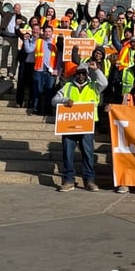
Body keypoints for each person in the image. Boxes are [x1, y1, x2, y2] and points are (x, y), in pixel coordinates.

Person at [53, 61, 108, 192]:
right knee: (67, 153)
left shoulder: (94, 86)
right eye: (79, 73)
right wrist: (65, 100)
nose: (81, 76)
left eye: (83, 73)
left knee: (88, 154)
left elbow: (104, 83)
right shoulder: (67, 86)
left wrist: (96, 70)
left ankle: (89, 180)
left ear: (87, 75)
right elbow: (54, 100)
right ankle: (68, 180)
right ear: (75, 74)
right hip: (69, 126)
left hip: (86, 125)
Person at [31, 24, 60, 116]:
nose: (47, 33)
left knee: (49, 91)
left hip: (51, 71)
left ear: (52, 33)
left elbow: (59, 58)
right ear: (43, 32)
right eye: (46, 31)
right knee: (37, 90)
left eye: (49, 31)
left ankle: (48, 111)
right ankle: (36, 109)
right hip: (39, 69)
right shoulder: (39, 41)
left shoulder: (56, 43)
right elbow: (29, 49)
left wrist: (57, 69)